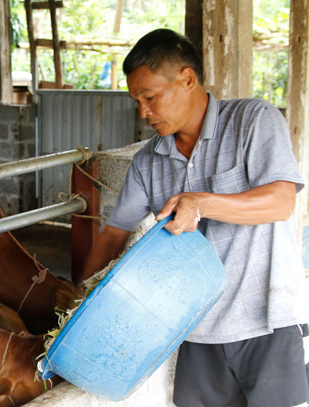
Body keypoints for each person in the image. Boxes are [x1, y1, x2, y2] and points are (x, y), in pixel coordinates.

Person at [78, 28, 309, 407]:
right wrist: (81, 302)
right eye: (137, 100)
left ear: (187, 79)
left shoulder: (253, 121)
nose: (143, 112)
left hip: (265, 322)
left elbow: (280, 202)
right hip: (196, 331)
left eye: (150, 97)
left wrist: (201, 203)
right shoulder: (147, 162)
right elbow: (114, 233)